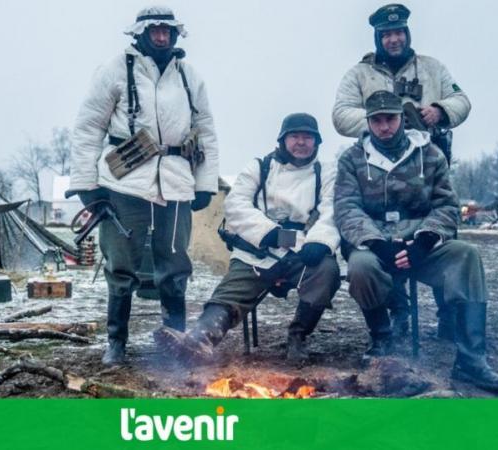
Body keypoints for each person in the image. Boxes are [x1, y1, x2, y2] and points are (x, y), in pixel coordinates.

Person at [66, 6, 219, 365]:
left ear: (176, 34)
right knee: (121, 263)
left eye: (168, 31)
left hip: (177, 180)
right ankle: (116, 342)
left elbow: (207, 131)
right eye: (156, 30)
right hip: (124, 182)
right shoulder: (114, 70)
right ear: (141, 33)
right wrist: (87, 186)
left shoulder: (189, 76)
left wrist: (205, 183)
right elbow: (89, 128)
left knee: (175, 263)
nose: (162, 37)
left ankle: (176, 340)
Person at [334, 90, 498, 393]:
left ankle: (471, 360)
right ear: (368, 122)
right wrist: (378, 244)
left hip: (421, 243)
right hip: (376, 245)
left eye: (390, 118)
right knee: (361, 267)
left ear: (402, 119)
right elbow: (347, 208)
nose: (384, 126)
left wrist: (424, 241)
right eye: (377, 120)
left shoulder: (429, 153)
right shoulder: (352, 159)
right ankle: (383, 340)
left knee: (466, 256)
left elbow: (446, 205)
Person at [332, 3, 471, 341]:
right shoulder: (359, 75)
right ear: (378, 38)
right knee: (383, 234)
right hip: (375, 166)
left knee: (439, 233)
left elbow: (462, 100)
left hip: (425, 160)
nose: (393, 39)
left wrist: (439, 110)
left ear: (407, 34)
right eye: (386, 34)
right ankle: (396, 313)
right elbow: (339, 115)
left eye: (398, 33)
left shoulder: (433, 68)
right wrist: (383, 118)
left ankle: (449, 315)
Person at [154, 113, 341, 365]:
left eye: (307, 137)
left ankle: (298, 335)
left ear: (316, 142)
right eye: (295, 136)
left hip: (304, 250)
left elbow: (332, 209)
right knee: (231, 292)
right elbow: (236, 204)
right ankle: (201, 339)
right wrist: (269, 233)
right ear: (283, 140)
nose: (301, 142)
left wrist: (319, 241)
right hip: (259, 249)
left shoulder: (326, 172)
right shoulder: (259, 167)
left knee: (327, 271)